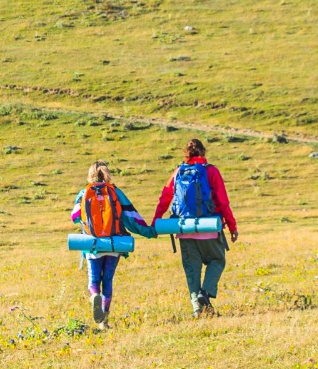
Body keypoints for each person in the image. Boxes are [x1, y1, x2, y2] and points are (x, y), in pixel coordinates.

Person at [153, 138, 239, 317]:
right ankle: (205, 293)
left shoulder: (178, 172)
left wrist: (156, 221)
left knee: (192, 271)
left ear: (186, 154)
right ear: (203, 152)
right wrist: (232, 226)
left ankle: (198, 310)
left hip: (184, 230)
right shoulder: (211, 171)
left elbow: (165, 197)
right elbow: (223, 202)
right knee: (217, 261)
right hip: (209, 228)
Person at [69, 160, 152, 330]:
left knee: (94, 280)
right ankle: (104, 321)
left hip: (93, 245)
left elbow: (74, 217)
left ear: (90, 174)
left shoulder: (84, 193)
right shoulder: (115, 192)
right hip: (114, 244)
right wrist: (149, 231)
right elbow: (131, 217)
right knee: (107, 281)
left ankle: (94, 296)